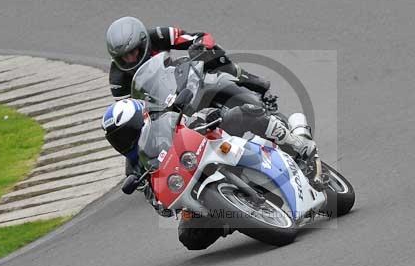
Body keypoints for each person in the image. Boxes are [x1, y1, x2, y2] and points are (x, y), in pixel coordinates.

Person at [101, 98, 317, 250]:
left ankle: (296, 142)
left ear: (140, 120)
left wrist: (201, 120)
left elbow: (184, 116)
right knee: (189, 237)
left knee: (241, 113)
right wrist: (162, 202)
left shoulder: (160, 117)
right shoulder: (134, 168)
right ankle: (236, 217)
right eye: (117, 140)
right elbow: (159, 204)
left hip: (211, 145)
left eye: (126, 133)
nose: (124, 141)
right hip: (190, 188)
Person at [105, 16, 269, 99]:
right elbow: (130, 109)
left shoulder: (158, 35)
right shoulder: (117, 79)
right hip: (157, 102)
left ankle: (248, 81)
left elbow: (202, 37)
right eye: (124, 57)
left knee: (210, 53)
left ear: (143, 43)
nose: (131, 59)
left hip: (180, 79)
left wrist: (199, 47)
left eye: (133, 52)